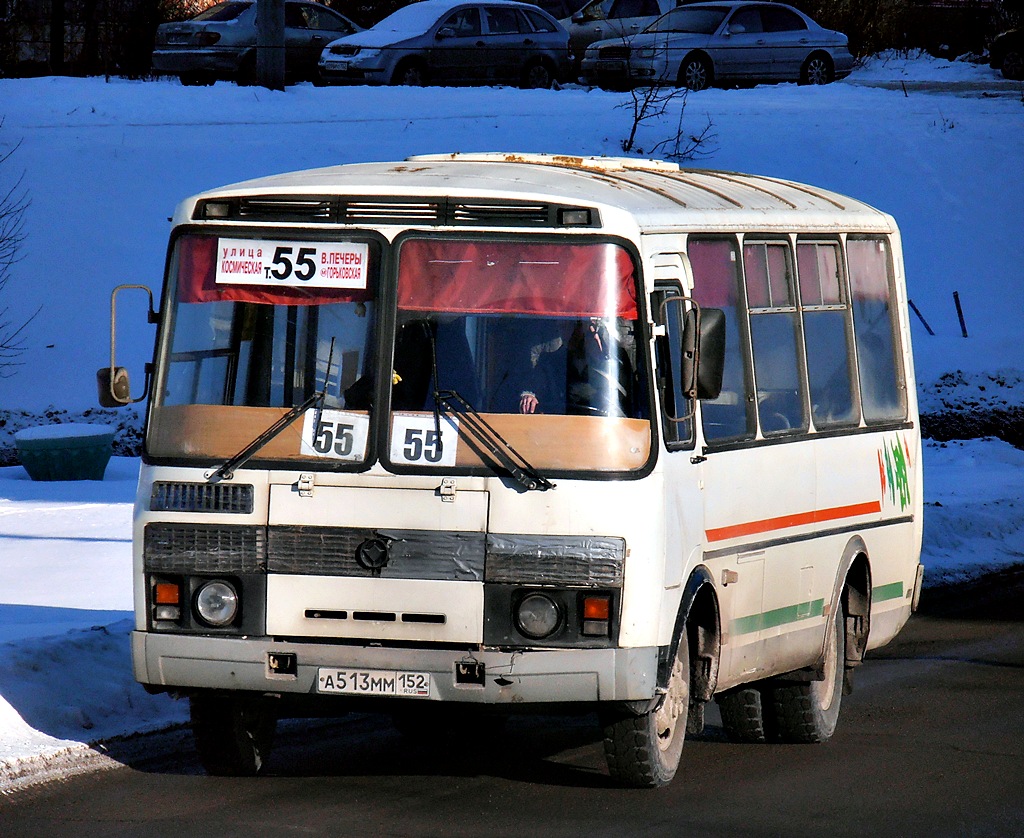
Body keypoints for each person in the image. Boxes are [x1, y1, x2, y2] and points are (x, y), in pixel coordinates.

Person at [519, 317, 635, 417]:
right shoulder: (551, 362)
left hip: (607, 434)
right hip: (562, 432)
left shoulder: (618, 362)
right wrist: (530, 395)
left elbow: (627, 403)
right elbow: (534, 386)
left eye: (569, 327)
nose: (565, 333)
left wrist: (598, 358)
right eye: (562, 327)